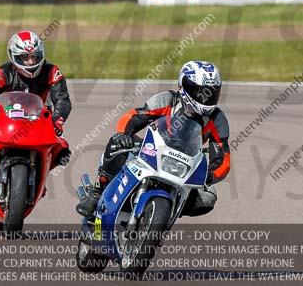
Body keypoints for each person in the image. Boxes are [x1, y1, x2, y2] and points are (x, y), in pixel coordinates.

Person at [75, 60, 231, 218]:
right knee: (117, 145)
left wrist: (210, 174)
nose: (205, 97)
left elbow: (223, 158)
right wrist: (123, 134)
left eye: (211, 91)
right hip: (152, 149)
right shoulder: (167, 100)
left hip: (185, 164)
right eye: (199, 91)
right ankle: (96, 193)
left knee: (208, 197)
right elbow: (133, 117)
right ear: (183, 86)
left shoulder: (217, 119)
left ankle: (163, 216)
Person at [0, 30, 72, 200]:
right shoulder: (3, 72)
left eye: (35, 57)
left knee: (63, 150)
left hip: (38, 119)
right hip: (5, 119)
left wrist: (57, 121)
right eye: (25, 58)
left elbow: (63, 101)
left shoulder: (52, 72)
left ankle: (40, 175)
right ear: (14, 57)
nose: (31, 62)